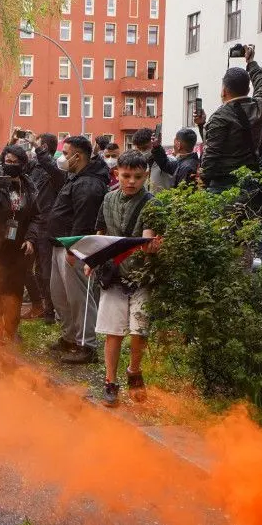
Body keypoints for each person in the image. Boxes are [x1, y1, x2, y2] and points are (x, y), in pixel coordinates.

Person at [197, 44, 262, 272]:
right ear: (247, 88)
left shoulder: (219, 117)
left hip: (222, 187)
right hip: (249, 184)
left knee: (217, 235)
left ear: (224, 90)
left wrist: (203, 182)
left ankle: (225, 282)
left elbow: (211, 156)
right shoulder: (259, 108)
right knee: (254, 235)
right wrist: (251, 63)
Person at [95, 150, 158, 405]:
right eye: (126, 175)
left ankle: (134, 370)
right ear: (116, 174)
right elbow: (100, 231)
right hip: (113, 274)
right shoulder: (108, 199)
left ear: (146, 177)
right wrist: (93, 259)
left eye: (138, 177)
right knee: (113, 331)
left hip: (142, 274)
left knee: (139, 329)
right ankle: (110, 380)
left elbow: (148, 235)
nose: (132, 181)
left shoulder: (152, 203)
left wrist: (152, 245)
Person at [47, 135, 111, 363]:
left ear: (78, 156)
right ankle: (70, 337)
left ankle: (87, 344)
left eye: (65, 154)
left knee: (80, 297)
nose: (62, 158)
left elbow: (84, 221)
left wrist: (75, 250)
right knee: (61, 296)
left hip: (74, 248)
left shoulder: (89, 184)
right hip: (61, 243)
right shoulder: (77, 177)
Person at [0, 143, 39, 344]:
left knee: (15, 288)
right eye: (7, 161)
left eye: (15, 162)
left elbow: (36, 216)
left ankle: (11, 329)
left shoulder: (28, 186)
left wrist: (31, 238)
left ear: (22, 164)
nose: (11, 165)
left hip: (19, 246)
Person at [26, 133, 63, 321]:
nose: (34, 148)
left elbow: (51, 168)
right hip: (32, 222)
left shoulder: (56, 169)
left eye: (38, 146)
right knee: (31, 268)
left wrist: (37, 148)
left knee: (45, 269)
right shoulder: (34, 166)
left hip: (46, 223)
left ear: (45, 148)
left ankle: (49, 310)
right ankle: (39, 306)